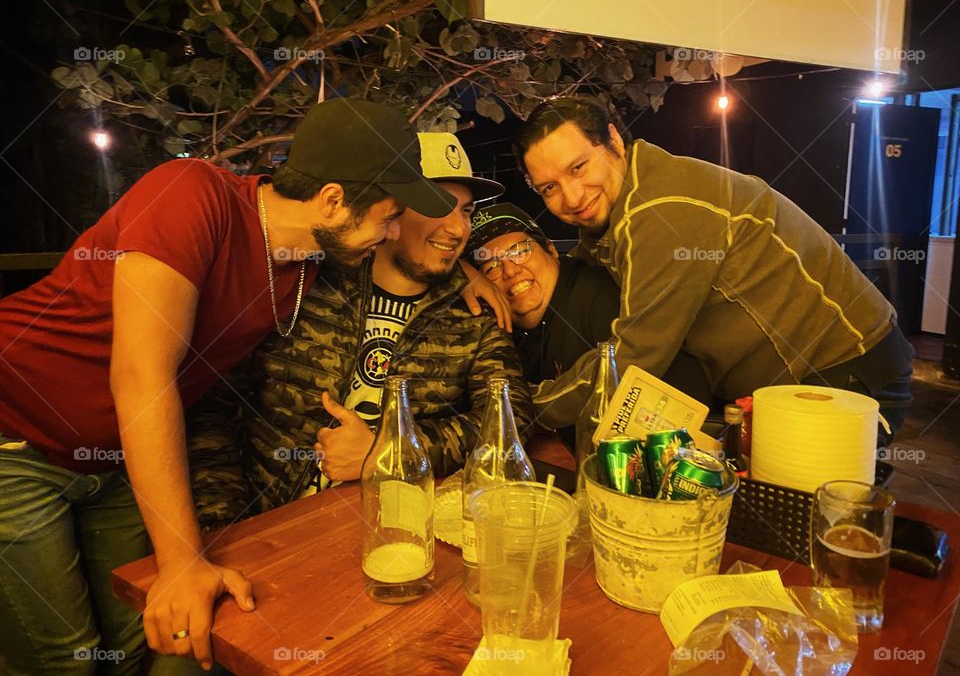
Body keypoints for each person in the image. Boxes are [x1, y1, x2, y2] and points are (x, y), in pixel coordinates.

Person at [0, 99, 461, 675]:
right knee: (61, 660)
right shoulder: (191, 193)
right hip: (14, 434)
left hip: (115, 460)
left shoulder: (308, 256)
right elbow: (143, 376)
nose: (394, 232)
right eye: (388, 216)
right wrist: (182, 561)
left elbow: (413, 271)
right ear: (334, 199)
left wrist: (476, 277)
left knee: (143, 636)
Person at [512, 96, 914, 445]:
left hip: (843, 372)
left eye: (579, 167)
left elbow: (633, 358)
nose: (572, 196)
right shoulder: (631, 198)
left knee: (821, 521)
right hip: (792, 384)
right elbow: (583, 261)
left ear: (613, 141)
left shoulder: (659, 210)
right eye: (549, 187)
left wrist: (524, 405)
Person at [188, 133, 533, 528]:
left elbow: (512, 422)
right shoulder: (304, 284)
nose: (457, 229)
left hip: (387, 535)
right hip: (271, 526)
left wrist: (388, 450)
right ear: (390, 208)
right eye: (438, 207)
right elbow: (216, 404)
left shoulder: (475, 315)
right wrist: (222, 530)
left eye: (467, 211)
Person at [465, 202, 712, 443]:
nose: (509, 271)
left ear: (551, 250)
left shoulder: (600, 298)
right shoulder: (501, 331)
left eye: (519, 251)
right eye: (491, 267)